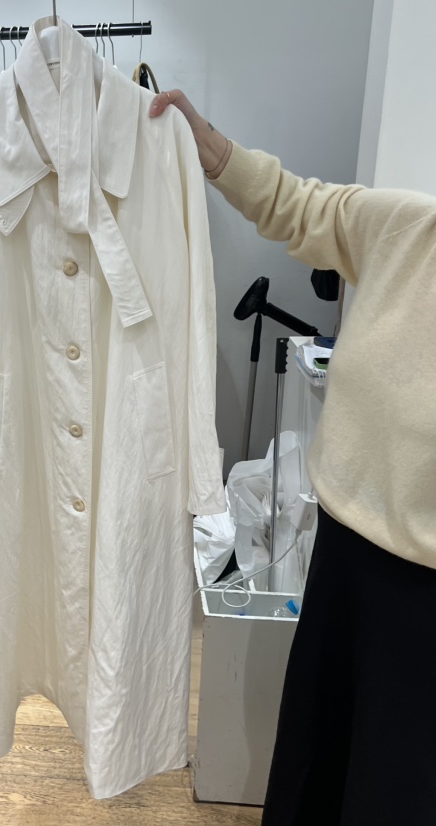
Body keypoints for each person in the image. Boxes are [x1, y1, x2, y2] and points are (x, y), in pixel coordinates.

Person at [149, 90, 436, 825]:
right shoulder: (411, 228)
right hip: (346, 555)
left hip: (425, 599)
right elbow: (299, 205)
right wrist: (215, 151)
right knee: (316, 762)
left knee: (396, 789)